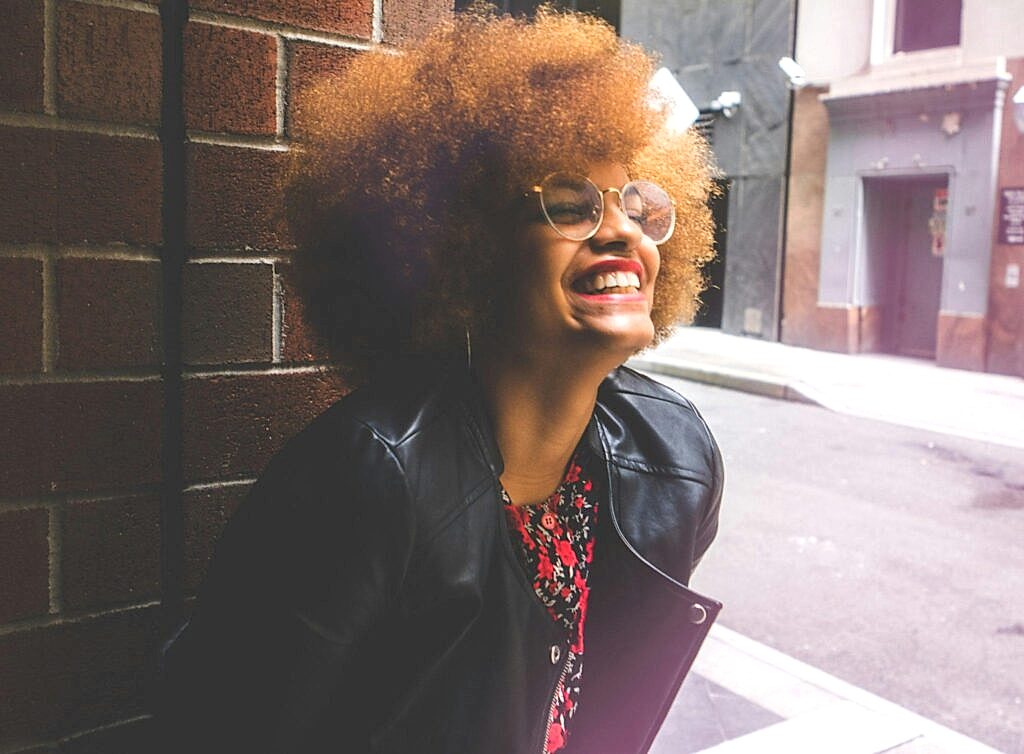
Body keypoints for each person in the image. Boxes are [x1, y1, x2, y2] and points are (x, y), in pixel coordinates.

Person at [160, 7, 723, 753]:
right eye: (569, 205)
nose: (620, 231)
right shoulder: (366, 478)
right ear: (466, 252)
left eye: (637, 205)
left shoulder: (677, 461)